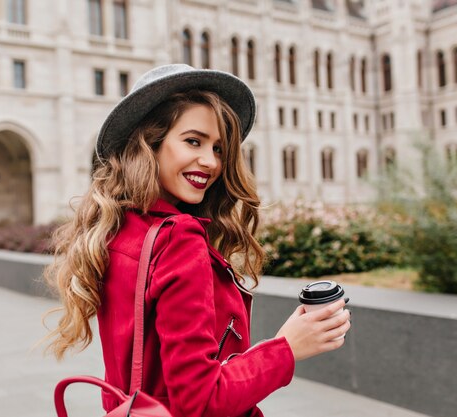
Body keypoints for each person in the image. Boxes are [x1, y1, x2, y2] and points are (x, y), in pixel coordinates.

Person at [43, 64, 351, 417]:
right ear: (150, 143)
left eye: (219, 149)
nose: (210, 162)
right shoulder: (178, 239)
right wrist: (288, 348)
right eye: (193, 141)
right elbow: (201, 401)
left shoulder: (118, 229)